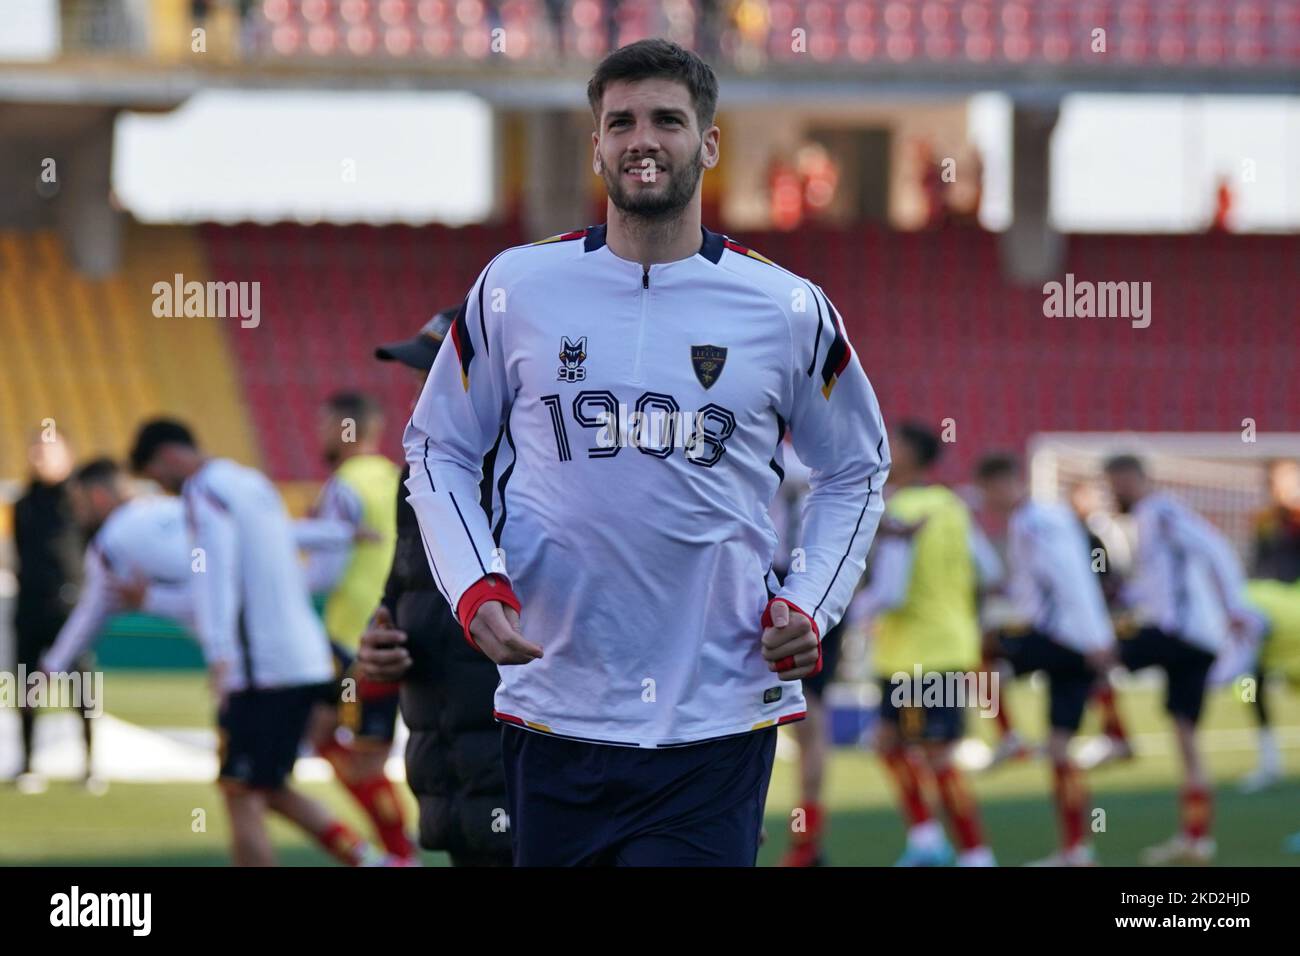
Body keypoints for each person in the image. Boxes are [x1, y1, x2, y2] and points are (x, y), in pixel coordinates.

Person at [402, 39, 890, 866]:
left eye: (667, 119)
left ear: (708, 143)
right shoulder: (516, 288)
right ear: (595, 144)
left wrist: (811, 602)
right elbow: (438, 449)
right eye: (619, 121)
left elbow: (856, 468)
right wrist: (473, 586)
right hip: (553, 704)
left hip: (716, 714)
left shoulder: (787, 307)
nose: (641, 139)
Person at [129, 419, 386, 867]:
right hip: (306, 658)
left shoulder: (203, 492)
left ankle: (383, 857)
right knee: (266, 787)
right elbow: (278, 537)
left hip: (264, 670)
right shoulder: (248, 482)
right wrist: (341, 535)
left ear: (169, 457)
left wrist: (219, 653)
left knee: (241, 794)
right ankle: (376, 860)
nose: (162, 489)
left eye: (155, 477)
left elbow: (215, 572)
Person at [357, 309, 514, 867]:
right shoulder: (417, 478)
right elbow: (401, 594)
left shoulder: (546, 478)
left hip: (526, 774)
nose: (421, 394)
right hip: (446, 775)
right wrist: (379, 642)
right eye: (420, 380)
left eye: (435, 377)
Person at [853, 423, 995, 867]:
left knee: (934, 756)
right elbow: (988, 570)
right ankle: (928, 838)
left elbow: (890, 593)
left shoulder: (900, 508)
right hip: (935, 645)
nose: (884, 449)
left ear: (912, 456)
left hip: (919, 651)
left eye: (892, 444)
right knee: (887, 740)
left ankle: (975, 854)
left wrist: (854, 607)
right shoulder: (953, 504)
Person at [1104, 454, 1253, 865]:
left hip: (1181, 635)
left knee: (1094, 651)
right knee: (1186, 738)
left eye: (1119, 482)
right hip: (1189, 639)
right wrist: (1128, 595)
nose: (1115, 491)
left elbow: (1215, 549)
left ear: (1137, 478)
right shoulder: (1149, 521)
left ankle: (1115, 737)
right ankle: (1196, 839)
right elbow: (1161, 583)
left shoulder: (1163, 512)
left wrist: (1234, 607)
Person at [975, 453, 1117, 866]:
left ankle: (1008, 735)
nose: (986, 501)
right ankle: (1077, 850)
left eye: (987, 491)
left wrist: (1094, 639)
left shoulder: (1035, 522)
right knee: (1059, 748)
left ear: (1003, 484)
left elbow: (1070, 579)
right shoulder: (1044, 519)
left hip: (1060, 639)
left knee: (975, 651)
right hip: (1073, 641)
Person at [297, 391, 416, 864]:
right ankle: (392, 851)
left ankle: (394, 852)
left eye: (326, 424)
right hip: (393, 630)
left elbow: (324, 572)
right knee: (356, 745)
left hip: (350, 639)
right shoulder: (394, 478)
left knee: (342, 745)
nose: (320, 434)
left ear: (345, 428)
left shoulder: (344, 486)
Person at [9, 432, 86, 794]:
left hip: (70, 608)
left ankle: (89, 765)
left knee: (82, 686)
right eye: (36, 452)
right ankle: (27, 765)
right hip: (30, 608)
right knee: (26, 686)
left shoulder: (78, 501)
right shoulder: (24, 503)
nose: (41, 459)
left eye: (49, 452)